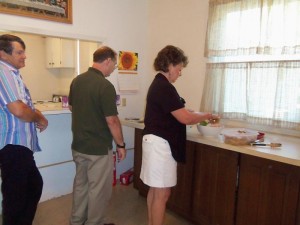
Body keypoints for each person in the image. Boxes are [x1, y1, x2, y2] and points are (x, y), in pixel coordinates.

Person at [140, 45, 219, 225]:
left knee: (155, 191)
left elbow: (177, 112)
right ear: (169, 65)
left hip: (154, 144)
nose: (180, 73)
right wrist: (206, 115)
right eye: (179, 68)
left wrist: (192, 113)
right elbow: (185, 118)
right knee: (162, 194)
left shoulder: (159, 84)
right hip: (160, 146)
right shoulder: (164, 86)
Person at [68, 46, 126, 225]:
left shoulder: (77, 81)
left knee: (81, 186)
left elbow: (71, 106)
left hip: (79, 145)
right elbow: (112, 121)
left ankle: (77, 221)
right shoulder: (105, 86)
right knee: (98, 190)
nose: (113, 68)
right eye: (114, 65)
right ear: (107, 60)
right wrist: (121, 145)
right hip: (98, 149)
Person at [0, 34, 48, 225]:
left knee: (33, 186)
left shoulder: (13, 73)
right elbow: (19, 110)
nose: (24, 56)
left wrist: (39, 115)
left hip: (20, 147)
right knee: (16, 197)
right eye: (19, 52)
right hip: (12, 145)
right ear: (3, 53)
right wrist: (38, 116)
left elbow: (23, 104)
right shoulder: (3, 72)